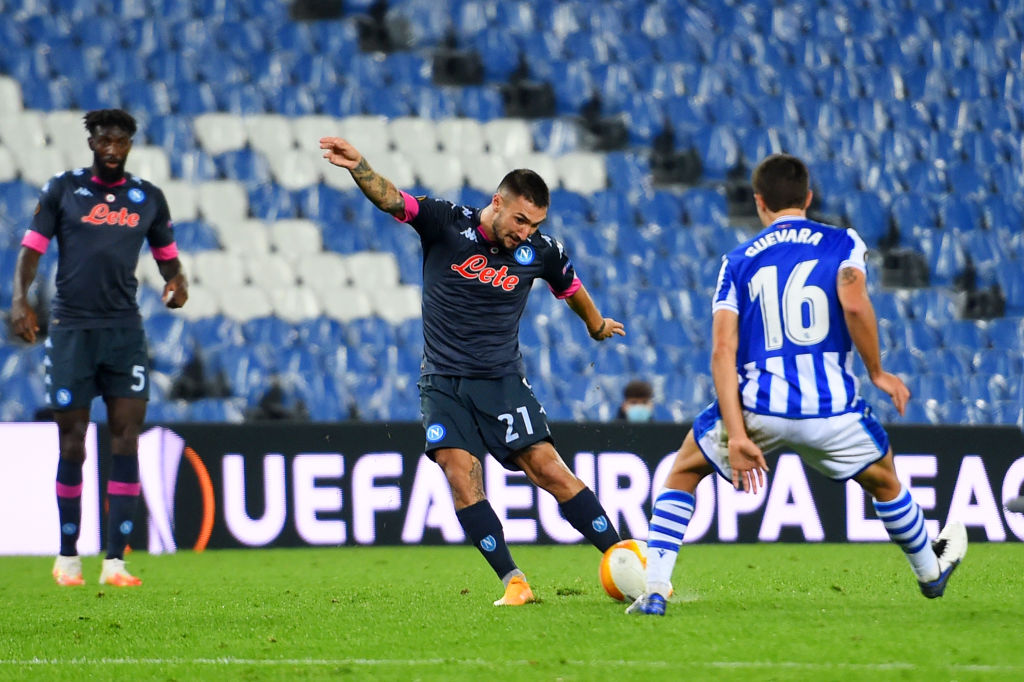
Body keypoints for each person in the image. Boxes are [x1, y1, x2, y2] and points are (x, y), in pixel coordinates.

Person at [627, 154, 967, 615]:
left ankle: (653, 592)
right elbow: (854, 302)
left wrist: (740, 434)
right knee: (885, 478)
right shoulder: (842, 242)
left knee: (684, 472)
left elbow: (722, 351)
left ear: (759, 202)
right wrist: (877, 371)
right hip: (832, 410)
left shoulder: (738, 260)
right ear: (808, 198)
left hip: (757, 405)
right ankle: (929, 571)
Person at [320, 135, 626, 605]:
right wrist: (359, 165)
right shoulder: (445, 222)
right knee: (460, 473)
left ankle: (624, 557)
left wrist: (596, 323)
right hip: (442, 381)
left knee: (547, 468)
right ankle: (514, 581)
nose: (525, 232)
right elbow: (391, 199)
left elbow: (570, 286)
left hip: (502, 380)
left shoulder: (540, 250)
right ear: (497, 203)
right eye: (520, 219)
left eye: (534, 223)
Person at [10, 109, 188, 587]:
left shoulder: (147, 198)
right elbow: (31, 250)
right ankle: (68, 556)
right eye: (104, 140)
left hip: (124, 333)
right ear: (90, 141)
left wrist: (177, 284)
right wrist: (20, 299)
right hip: (71, 331)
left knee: (126, 439)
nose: (112, 148)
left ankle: (115, 561)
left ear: (130, 144)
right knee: (73, 444)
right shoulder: (63, 189)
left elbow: (169, 260)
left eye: (120, 141)